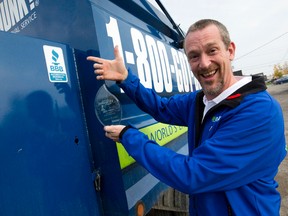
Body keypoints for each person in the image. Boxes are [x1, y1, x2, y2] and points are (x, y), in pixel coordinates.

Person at [87, 19, 287, 215]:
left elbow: (193, 175)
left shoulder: (258, 113)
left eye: (212, 50)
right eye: (194, 56)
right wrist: (126, 79)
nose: (204, 63)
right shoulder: (201, 100)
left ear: (230, 50)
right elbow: (162, 108)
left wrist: (128, 136)